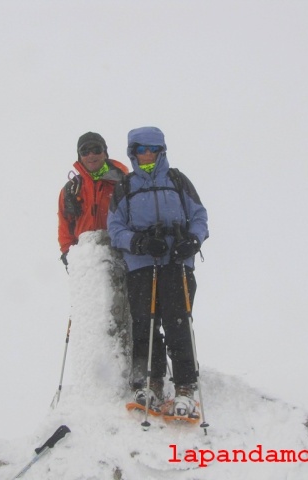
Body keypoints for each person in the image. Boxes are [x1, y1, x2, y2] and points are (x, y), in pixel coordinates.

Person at [107, 126, 209, 418]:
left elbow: (199, 215)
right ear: (133, 153)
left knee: (178, 323)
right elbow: (115, 228)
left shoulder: (178, 180)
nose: (147, 154)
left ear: (161, 150)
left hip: (176, 263)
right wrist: (137, 242)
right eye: (141, 149)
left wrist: (192, 240)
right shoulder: (125, 187)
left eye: (152, 149)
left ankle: (186, 386)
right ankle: (150, 383)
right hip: (142, 265)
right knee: (144, 323)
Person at [57, 132, 129, 266]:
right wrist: (68, 252)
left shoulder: (124, 182)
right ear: (79, 157)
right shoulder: (71, 189)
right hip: (85, 258)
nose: (91, 155)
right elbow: (65, 225)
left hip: (121, 254)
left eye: (96, 149)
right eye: (84, 151)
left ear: (105, 153)